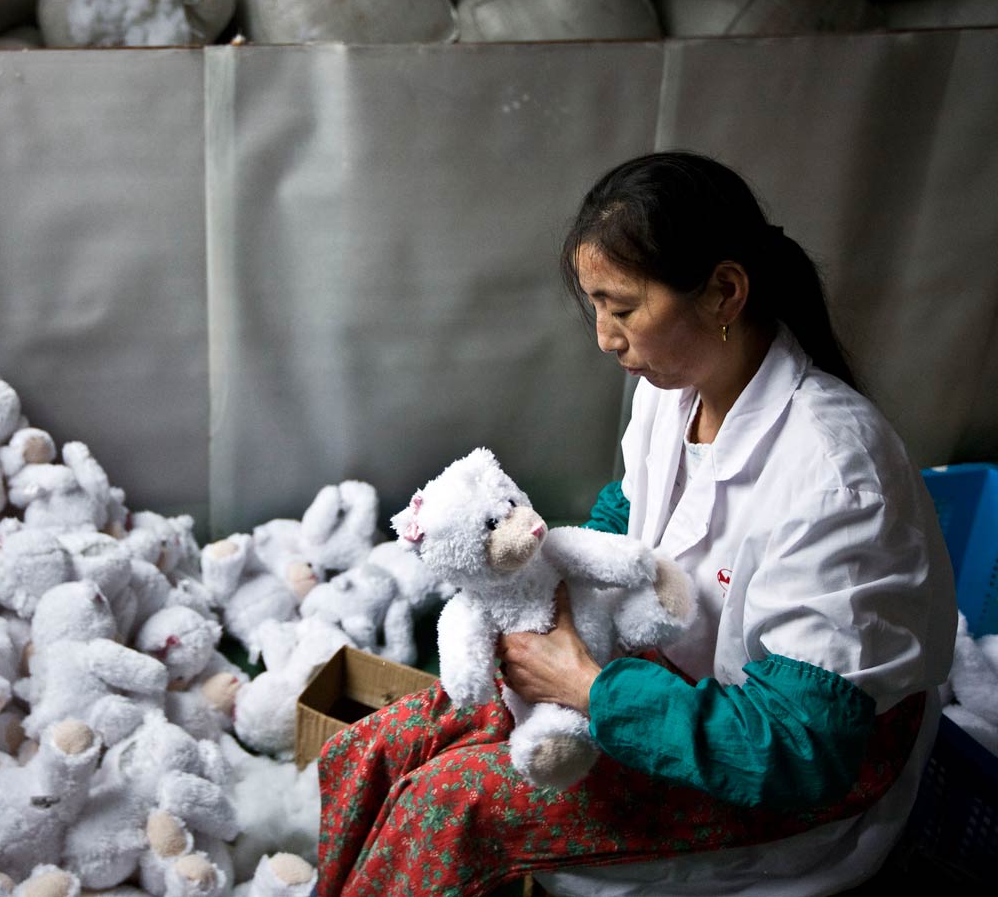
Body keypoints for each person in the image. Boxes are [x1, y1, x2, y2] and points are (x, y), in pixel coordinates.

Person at [316, 151, 957, 897]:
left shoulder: (837, 478)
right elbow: (632, 508)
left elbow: (800, 751)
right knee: (380, 744)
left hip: (784, 760)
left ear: (723, 292)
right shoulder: (673, 387)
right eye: (595, 307)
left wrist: (592, 688)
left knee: (448, 804)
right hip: (660, 676)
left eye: (623, 307)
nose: (604, 336)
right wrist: (552, 603)